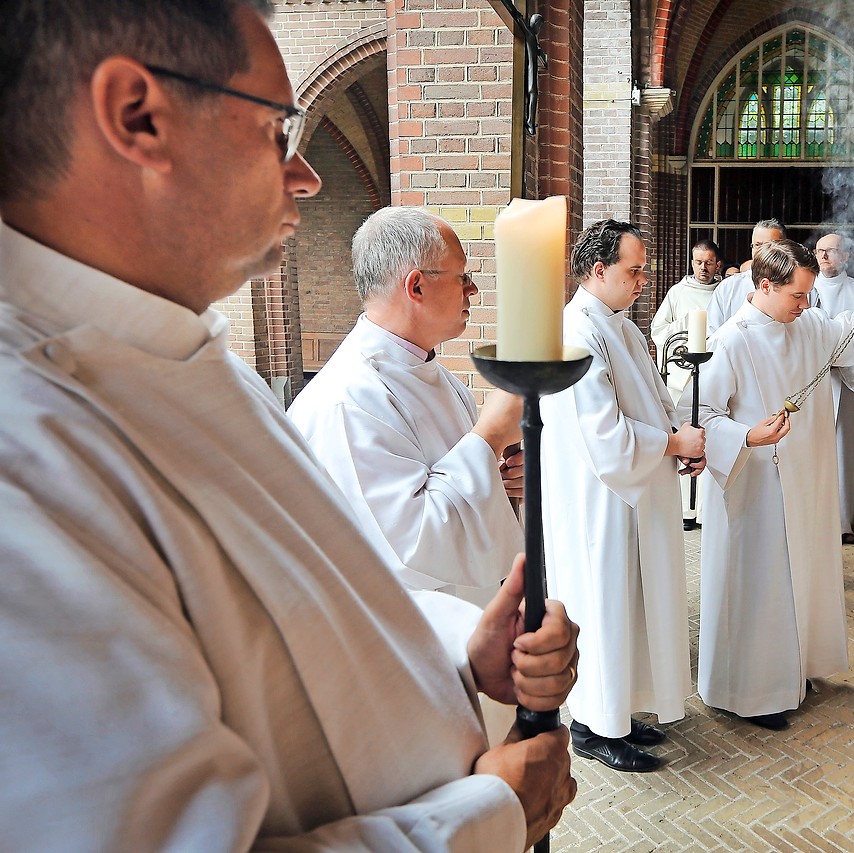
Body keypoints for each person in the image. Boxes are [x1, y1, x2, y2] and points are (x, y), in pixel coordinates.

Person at [0, 2, 578, 850]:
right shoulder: (28, 452)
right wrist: (481, 818)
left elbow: (317, 603)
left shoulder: (198, 357)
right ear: (138, 116)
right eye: (279, 132)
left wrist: (461, 644)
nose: (305, 175)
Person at [695, 239, 854, 730]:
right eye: (797, 295)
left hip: (805, 478)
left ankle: (794, 669)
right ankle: (754, 691)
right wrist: (746, 434)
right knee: (762, 584)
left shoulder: (804, 323)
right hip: (756, 484)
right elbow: (698, 414)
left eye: (808, 295)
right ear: (764, 285)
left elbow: (842, 336)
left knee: (800, 574)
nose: (806, 305)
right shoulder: (731, 340)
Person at [289, 207, 524, 607]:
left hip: (464, 621)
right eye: (463, 276)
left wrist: (497, 482)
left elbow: (449, 485)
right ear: (416, 286)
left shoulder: (432, 372)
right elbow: (414, 547)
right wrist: (491, 436)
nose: (473, 290)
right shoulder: (349, 400)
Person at [541, 219, 703, 773]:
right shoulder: (576, 332)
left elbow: (654, 398)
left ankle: (620, 709)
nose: (642, 279)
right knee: (603, 606)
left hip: (632, 494)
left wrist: (680, 437)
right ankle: (591, 726)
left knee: (629, 608)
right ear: (597, 269)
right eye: (633, 270)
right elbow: (603, 435)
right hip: (601, 500)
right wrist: (671, 441)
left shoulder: (622, 326)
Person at [651, 238, 722, 531]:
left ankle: (705, 511)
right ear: (691, 262)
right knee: (684, 441)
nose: (702, 267)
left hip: (711, 376)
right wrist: (687, 325)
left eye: (708, 262)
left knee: (709, 440)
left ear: (718, 264)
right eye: (697, 261)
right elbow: (659, 331)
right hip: (680, 380)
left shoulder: (723, 293)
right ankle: (684, 512)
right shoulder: (678, 293)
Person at [811, 232, 854, 545]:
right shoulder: (805, 287)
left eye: (832, 251)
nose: (824, 257)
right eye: (820, 251)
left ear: (845, 256)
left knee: (844, 452)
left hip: (847, 379)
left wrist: (839, 354)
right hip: (811, 383)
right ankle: (813, 521)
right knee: (811, 451)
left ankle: (844, 521)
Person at [706, 219, 786, 334]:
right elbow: (712, 331)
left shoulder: (799, 289)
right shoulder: (729, 287)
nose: (762, 251)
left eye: (769, 245)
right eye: (757, 245)